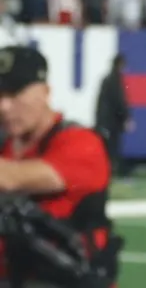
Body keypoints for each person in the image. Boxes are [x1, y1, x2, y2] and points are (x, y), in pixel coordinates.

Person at [0, 46, 115, 286]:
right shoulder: (6, 146)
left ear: (44, 91)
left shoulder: (82, 142)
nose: (4, 106)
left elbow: (15, 179)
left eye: (15, 93)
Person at [94, 55, 132, 178]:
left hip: (104, 122)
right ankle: (115, 173)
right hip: (112, 122)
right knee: (113, 148)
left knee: (107, 148)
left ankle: (107, 172)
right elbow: (119, 101)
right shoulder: (115, 80)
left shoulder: (107, 79)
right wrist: (126, 117)